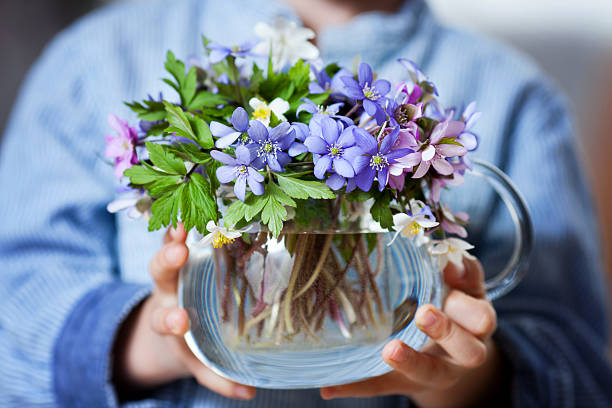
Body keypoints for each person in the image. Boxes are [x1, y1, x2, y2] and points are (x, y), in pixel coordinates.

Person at [1, 0, 611, 406]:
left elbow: (584, 373)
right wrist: (152, 338)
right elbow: (12, 308)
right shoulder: (95, 61)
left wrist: (473, 380)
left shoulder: (519, 100)